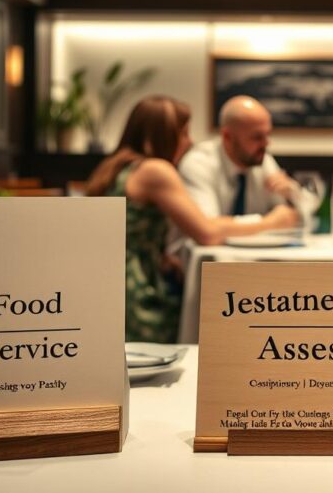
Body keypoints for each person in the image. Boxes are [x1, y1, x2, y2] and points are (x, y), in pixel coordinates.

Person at [85, 96, 298, 343]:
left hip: (105, 280)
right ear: (163, 135)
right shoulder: (156, 170)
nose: (190, 142)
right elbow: (206, 232)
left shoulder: (115, 166)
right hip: (133, 293)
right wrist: (272, 222)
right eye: (183, 133)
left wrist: (161, 256)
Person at [177, 95, 297, 222]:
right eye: (257, 137)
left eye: (268, 134)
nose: (266, 143)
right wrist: (269, 222)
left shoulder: (262, 159)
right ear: (227, 136)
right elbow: (209, 228)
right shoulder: (198, 164)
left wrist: (292, 195)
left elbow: (287, 215)